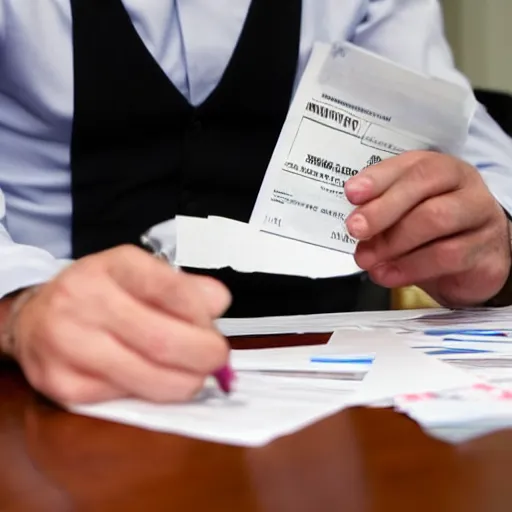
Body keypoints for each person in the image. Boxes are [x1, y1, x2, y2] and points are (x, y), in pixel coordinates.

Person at [0, 0, 512, 405]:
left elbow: (475, 157)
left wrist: (491, 236)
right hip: (42, 386)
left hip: (330, 389)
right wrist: (18, 305)